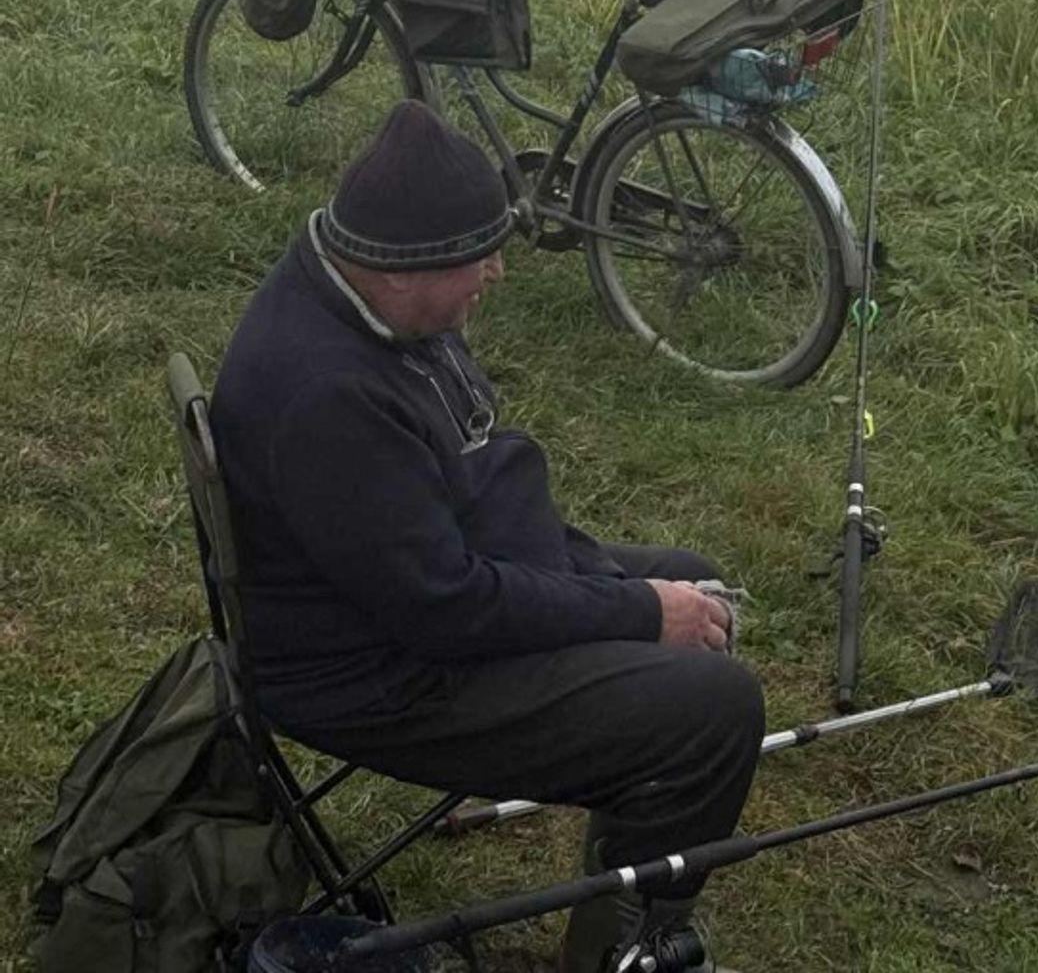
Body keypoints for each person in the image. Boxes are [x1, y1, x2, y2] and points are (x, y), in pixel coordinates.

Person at [212, 103, 762, 973]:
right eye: (479, 256)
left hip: (421, 587)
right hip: (377, 674)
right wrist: (631, 611)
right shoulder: (327, 398)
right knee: (715, 707)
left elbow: (449, 526)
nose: (497, 272)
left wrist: (623, 592)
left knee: (692, 581)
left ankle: (632, 809)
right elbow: (448, 610)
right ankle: (628, 951)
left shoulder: (365, 303)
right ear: (405, 268)